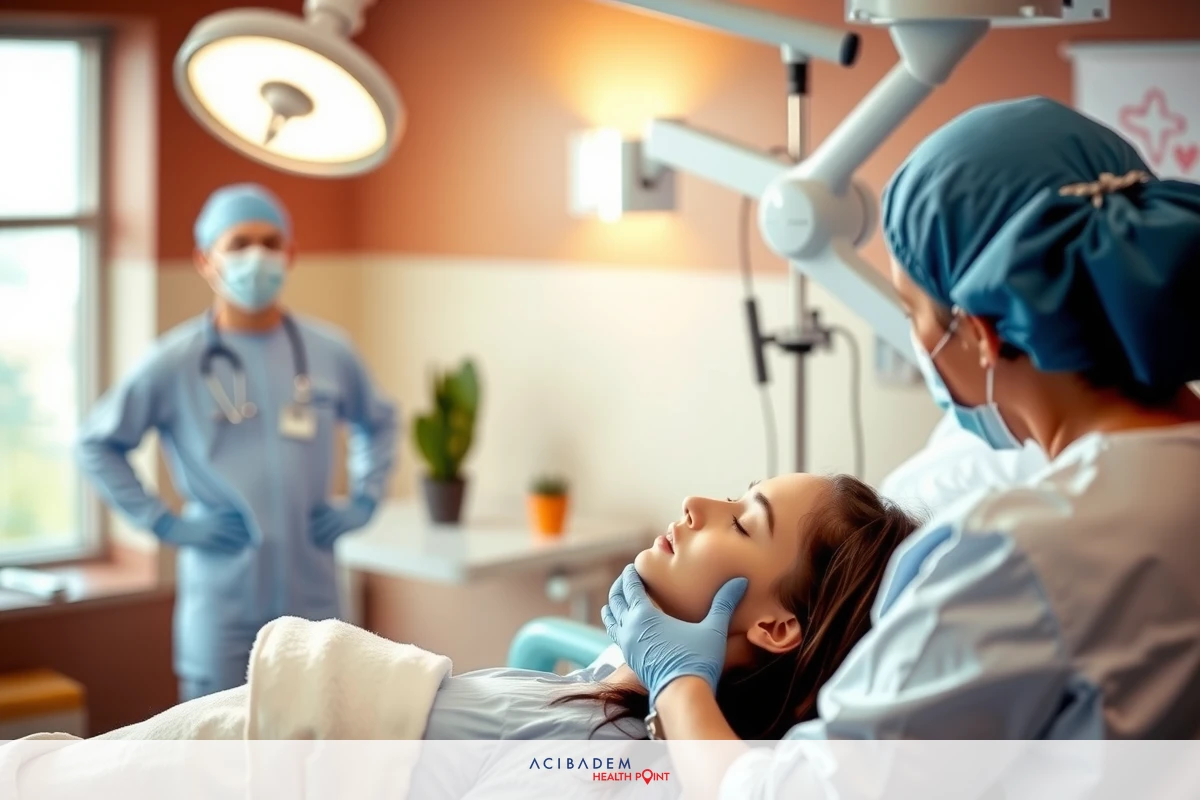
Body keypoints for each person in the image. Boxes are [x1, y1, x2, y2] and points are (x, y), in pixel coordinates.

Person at [602, 96, 1200, 794]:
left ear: (984, 334)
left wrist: (677, 685)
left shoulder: (1018, 557)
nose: (917, 344)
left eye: (913, 313)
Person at [76, 472, 915, 750]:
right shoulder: (626, 698)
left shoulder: (625, 762)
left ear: (774, 626)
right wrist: (640, 673)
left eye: (745, 521)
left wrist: (676, 686)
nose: (699, 502)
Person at [75, 183, 399, 702]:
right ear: (206, 260)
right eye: (240, 243)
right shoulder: (174, 361)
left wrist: (365, 497)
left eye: (272, 243)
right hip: (223, 604)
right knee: (220, 764)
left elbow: (379, 421)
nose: (258, 257)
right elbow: (97, 443)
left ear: (291, 254)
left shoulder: (328, 351)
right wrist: (162, 521)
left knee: (317, 754)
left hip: (313, 597)